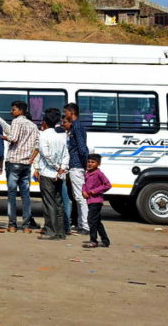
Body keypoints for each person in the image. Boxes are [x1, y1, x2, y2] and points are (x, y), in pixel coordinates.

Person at [2, 100, 40, 232]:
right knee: (25, 195)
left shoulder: (17, 122)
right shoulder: (33, 125)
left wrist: (2, 137)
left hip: (14, 161)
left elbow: (13, 138)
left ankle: (12, 224)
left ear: (20, 111)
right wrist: (32, 159)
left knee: (12, 194)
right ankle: (26, 225)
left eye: (13, 110)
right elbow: (37, 145)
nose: (11, 112)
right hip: (26, 164)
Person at [36, 109, 69, 241]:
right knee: (58, 203)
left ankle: (51, 231)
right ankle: (61, 232)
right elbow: (66, 154)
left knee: (49, 203)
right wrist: (62, 169)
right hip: (59, 174)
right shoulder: (61, 135)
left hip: (48, 173)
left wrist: (56, 168)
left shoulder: (43, 135)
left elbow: (45, 154)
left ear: (44, 121)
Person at [64, 103, 90, 234]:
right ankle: (81, 224)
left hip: (77, 165)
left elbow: (82, 148)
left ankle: (85, 226)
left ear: (71, 112)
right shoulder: (75, 127)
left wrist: (85, 165)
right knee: (78, 197)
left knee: (80, 197)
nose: (65, 116)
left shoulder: (77, 127)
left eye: (66, 112)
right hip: (75, 165)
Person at [81, 153, 112, 248]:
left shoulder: (99, 173)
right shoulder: (87, 173)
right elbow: (84, 184)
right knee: (97, 222)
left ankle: (93, 241)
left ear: (98, 164)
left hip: (96, 201)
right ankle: (105, 241)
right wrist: (83, 191)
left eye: (93, 162)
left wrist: (94, 191)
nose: (90, 164)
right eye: (88, 162)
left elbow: (107, 185)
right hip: (90, 201)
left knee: (91, 220)